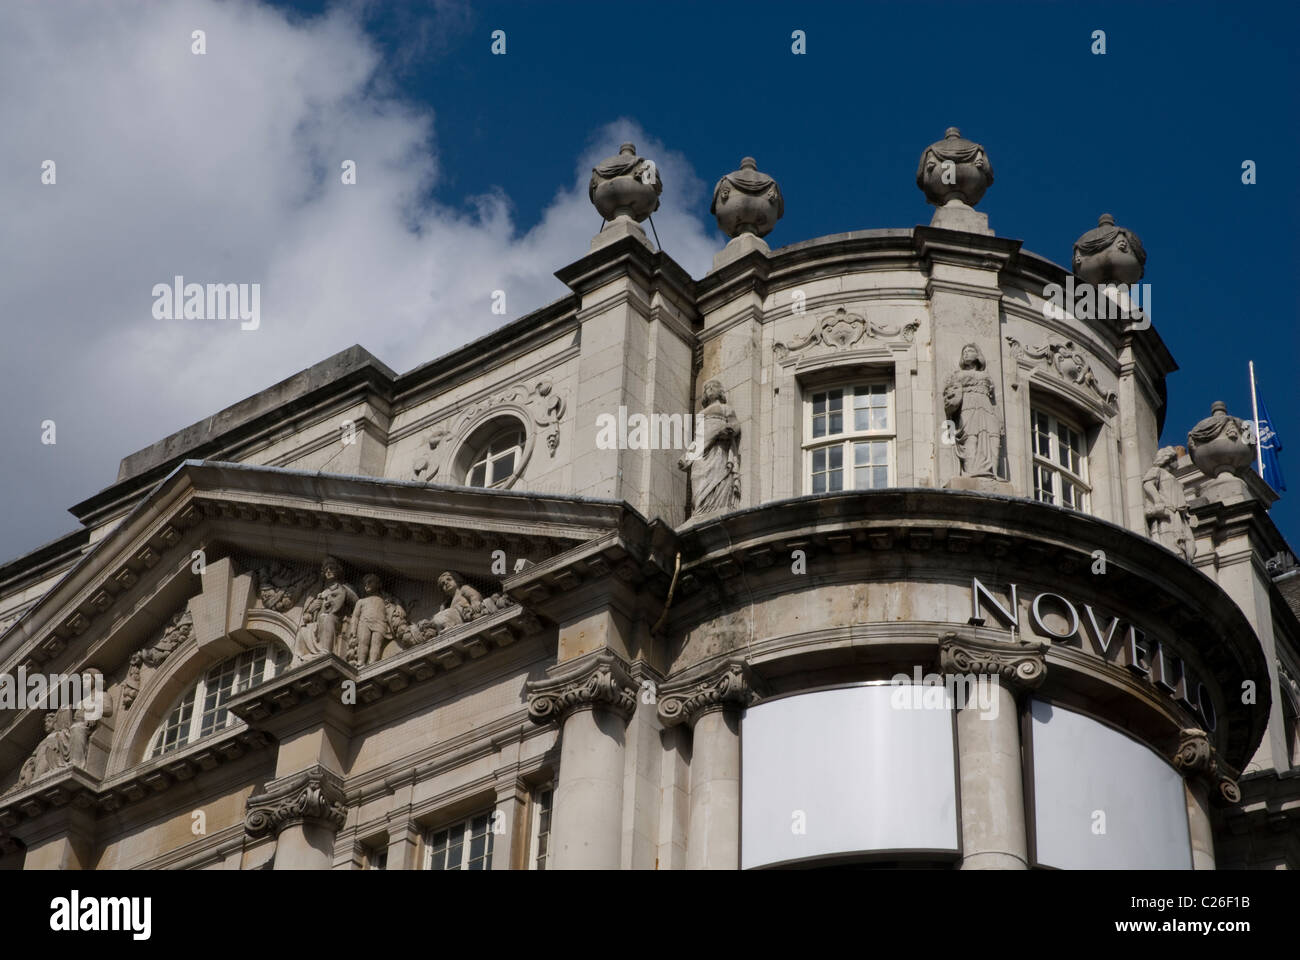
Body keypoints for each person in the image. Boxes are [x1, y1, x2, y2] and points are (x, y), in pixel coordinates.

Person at [679, 379, 741, 514]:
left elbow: (735, 425)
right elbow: (699, 437)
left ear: (720, 392)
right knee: (699, 483)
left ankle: (715, 508)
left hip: (717, 451)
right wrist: (688, 455)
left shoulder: (725, 408)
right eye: (707, 388)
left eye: (714, 387)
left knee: (717, 479)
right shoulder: (701, 414)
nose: (710, 389)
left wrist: (727, 430)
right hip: (701, 456)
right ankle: (701, 510)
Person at [943, 344, 1000, 478]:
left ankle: (993, 473)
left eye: (970, 351)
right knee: (971, 437)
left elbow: (992, 394)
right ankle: (971, 472)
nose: (966, 354)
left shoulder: (985, 375)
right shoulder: (958, 374)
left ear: (977, 355)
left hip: (986, 407)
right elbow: (950, 394)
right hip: (968, 406)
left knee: (993, 440)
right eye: (964, 352)